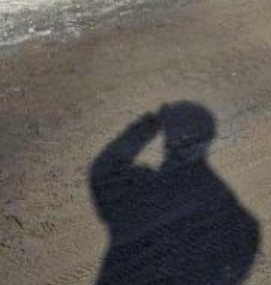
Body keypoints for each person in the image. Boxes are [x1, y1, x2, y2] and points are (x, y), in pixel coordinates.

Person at [89, 102, 260, 284]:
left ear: (168, 140)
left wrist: (149, 125)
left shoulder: (138, 191)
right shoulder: (240, 220)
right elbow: (238, 262)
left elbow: (104, 170)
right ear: (207, 140)